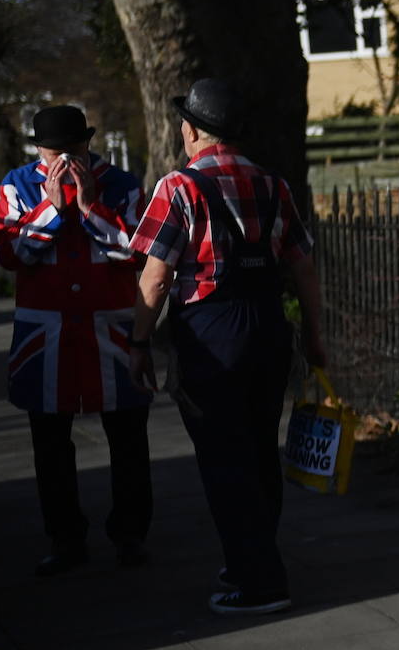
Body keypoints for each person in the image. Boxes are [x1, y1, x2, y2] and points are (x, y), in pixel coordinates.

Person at [126, 78, 325, 616]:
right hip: (266, 326)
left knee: (222, 457)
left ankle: (260, 581)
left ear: (190, 130)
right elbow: (303, 267)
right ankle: (250, 556)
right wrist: (314, 335)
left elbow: (154, 280)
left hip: (210, 332)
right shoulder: (272, 185)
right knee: (261, 448)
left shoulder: (179, 188)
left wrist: (140, 341)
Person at [0, 104, 153, 576]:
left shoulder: (121, 185)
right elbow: (10, 253)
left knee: (128, 439)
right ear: (39, 149)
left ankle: (130, 535)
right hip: (47, 335)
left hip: (112, 330)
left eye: (74, 151)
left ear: (88, 144)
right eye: (54, 152)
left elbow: (138, 251)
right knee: (51, 444)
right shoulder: (16, 185)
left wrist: (87, 207)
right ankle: (65, 539)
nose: (64, 161)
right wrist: (52, 211)